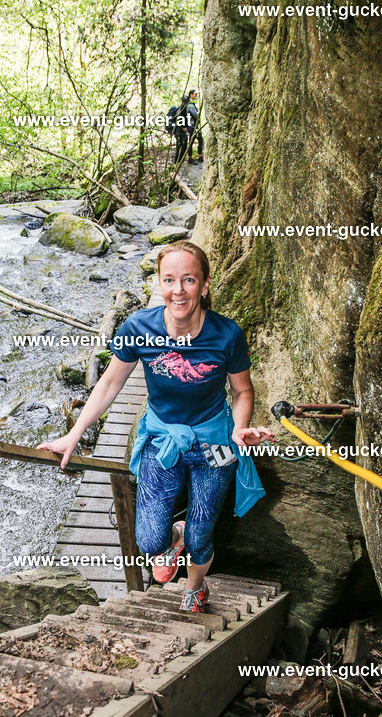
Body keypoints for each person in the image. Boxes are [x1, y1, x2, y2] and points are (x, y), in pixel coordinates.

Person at [38, 241, 274, 612]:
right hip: (163, 436)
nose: (178, 290)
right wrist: (75, 433)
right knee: (148, 542)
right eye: (169, 280)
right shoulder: (139, 327)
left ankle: (195, 587)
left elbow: (242, 390)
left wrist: (239, 430)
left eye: (188, 280)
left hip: (217, 441)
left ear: (205, 285)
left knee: (201, 534)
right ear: (160, 284)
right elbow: (111, 383)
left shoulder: (227, 335)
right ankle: (172, 538)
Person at [185, 89, 203, 163]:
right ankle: (191, 158)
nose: (196, 96)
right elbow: (196, 115)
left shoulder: (190, 104)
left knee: (199, 140)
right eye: (195, 94)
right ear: (191, 94)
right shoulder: (190, 105)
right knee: (192, 141)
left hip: (192, 126)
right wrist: (199, 112)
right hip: (192, 126)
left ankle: (199, 156)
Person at [173, 95, 190, 164]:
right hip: (179, 131)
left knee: (183, 146)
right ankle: (177, 162)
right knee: (179, 147)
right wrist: (183, 127)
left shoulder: (182, 108)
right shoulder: (180, 109)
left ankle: (180, 161)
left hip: (179, 130)